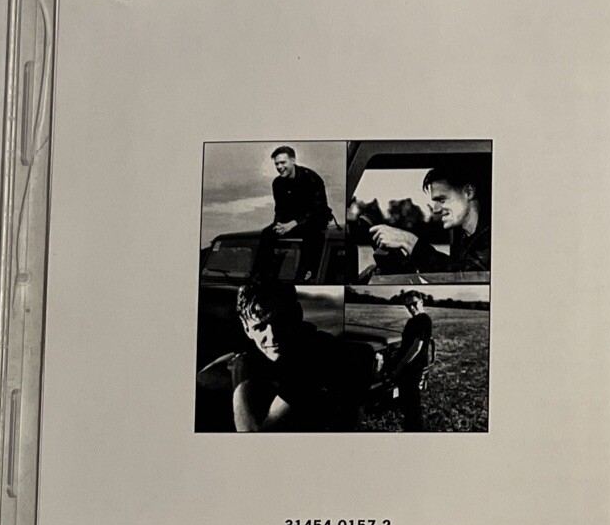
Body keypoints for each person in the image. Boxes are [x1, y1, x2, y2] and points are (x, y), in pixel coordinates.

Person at [197, 281, 367, 431]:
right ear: (246, 329)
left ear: (297, 314)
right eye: (260, 328)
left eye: (281, 323)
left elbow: (253, 437)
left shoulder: (316, 354)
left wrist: (241, 379)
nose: (272, 337)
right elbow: (204, 377)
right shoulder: (266, 350)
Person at [366, 164, 491, 275]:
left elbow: (468, 277)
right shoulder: (461, 237)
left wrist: (408, 241)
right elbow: (455, 270)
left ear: (468, 192)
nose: (435, 210)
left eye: (442, 200)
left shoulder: (492, 236)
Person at [253, 146, 334, 282]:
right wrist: (278, 225)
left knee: (311, 236)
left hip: (314, 220)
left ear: (293, 160)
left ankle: (305, 275)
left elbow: (318, 209)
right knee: (267, 234)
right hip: (290, 221)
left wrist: (292, 224)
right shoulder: (277, 183)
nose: (279, 167)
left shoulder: (311, 178)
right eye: (276, 164)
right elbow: (280, 209)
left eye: (283, 162)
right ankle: (260, 276)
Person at [380, 291, 435, 431]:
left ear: (421, 302)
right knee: (407, 407)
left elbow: (416, 348)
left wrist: (399, 367)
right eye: (407, 305)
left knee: (413, 410)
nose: (411, 308)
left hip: (412, 369)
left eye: (414, 304)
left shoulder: (424, 320)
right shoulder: (412, 321)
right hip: (406, 368)